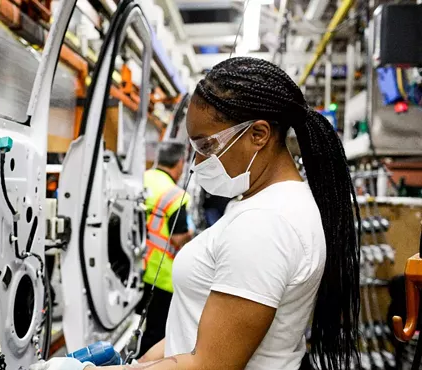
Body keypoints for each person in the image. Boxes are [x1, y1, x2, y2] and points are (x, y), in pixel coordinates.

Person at [32, 57, 360, 370]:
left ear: (258, 135)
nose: (197, 164)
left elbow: (211, 364)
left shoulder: (266, 224)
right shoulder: (264, 205)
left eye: (206, 146)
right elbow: (188, 338)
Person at [138, 141, 193, 358]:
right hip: (160, 276)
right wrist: (192, 235)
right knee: (155, 333)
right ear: (180, 163)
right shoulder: (177, 195)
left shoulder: (140, 179)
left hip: (133, 270)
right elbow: (178, 238)